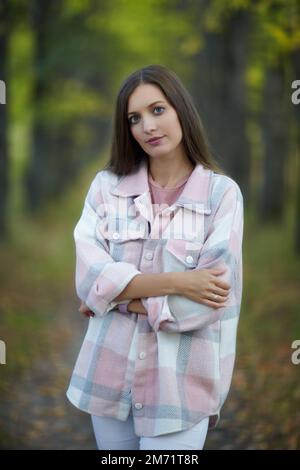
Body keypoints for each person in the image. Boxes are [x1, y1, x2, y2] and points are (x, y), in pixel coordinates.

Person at [66, 64, 244, 450]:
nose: (147, 125)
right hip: (107, 378)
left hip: (180, 387)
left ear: (181, 110)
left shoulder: (221, 195)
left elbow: (208, 302)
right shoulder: (106, 188)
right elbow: (88, 278)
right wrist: (179, 282)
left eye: (158, 110)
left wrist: (115, 299)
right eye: (135, 118)